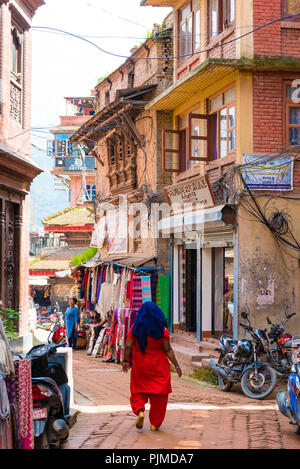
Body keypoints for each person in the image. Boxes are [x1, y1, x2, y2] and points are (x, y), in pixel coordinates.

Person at [122, 301, 182, 432]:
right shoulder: (162, 330)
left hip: (141, 366)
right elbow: (168, 350)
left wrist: (125, 360)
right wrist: (176, 366)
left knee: (138, 391)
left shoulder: (135, 328)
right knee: (160, 396)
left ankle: (140, 411)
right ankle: (155, 423)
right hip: (159, 367)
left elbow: (128, 346)